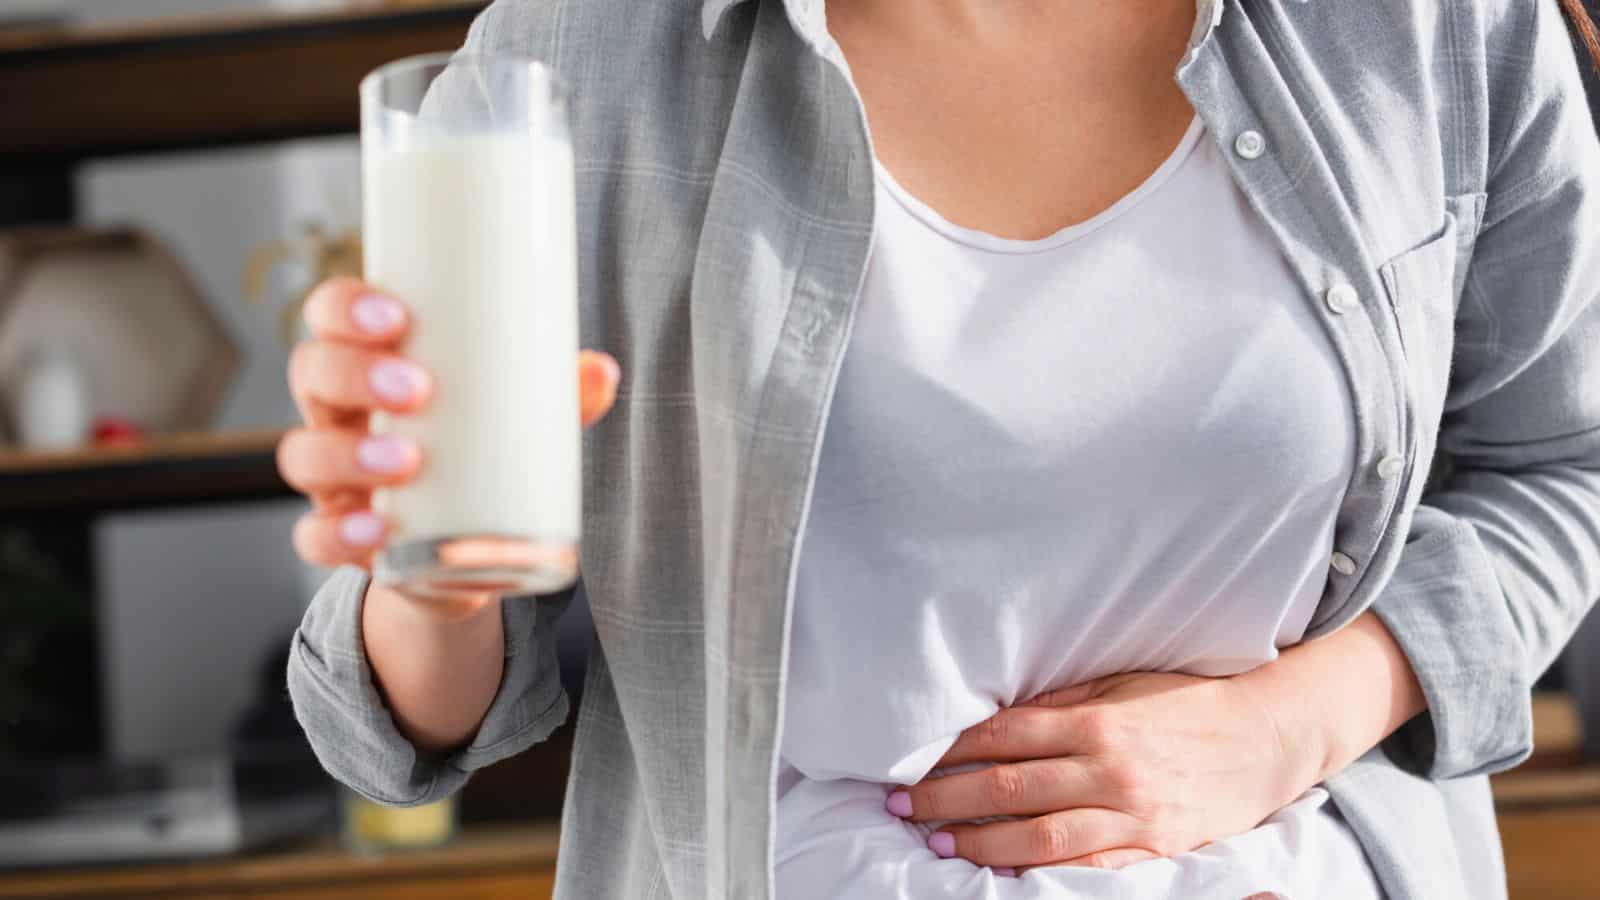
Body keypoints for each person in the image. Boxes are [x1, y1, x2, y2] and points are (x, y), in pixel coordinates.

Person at [280, 0, 1600, 897]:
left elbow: (1569, 462)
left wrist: (1290, 724)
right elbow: (403, 726)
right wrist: (427, 577)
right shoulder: (583, 53)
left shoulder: (1433, 26)